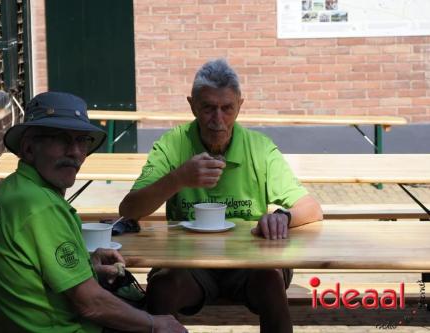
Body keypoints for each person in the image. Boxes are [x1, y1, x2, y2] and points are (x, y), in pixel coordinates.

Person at [119, 59, 323, 333]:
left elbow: (311, 208)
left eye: (227, 109)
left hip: (251, 261)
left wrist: (283, 217)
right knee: (163, 285)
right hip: (188, 262)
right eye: (208, 108)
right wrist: (178, 178)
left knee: (271, 277)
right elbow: (130, 209)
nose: (218, 120)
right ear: (192, 106)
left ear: (240, 104)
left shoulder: (258, 148)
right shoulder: (173, 144)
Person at [0, 92, 186, 333]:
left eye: (82, 140)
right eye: (61, 139)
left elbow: (32, 275)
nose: (75, 152)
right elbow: (91, 304)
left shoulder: (15, 187)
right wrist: (154, 324)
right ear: (29, 148)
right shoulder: (40, 207)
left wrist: (87, 266)